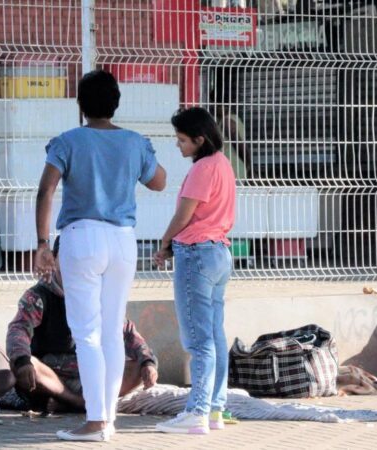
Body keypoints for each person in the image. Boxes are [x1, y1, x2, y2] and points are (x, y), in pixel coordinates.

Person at [33, 70, 167, 442]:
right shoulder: (134, 142)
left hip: (81, 238)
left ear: (80, 105)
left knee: (87, 333)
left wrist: (42, 244)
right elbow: (159, 181)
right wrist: (144, 151)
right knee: (111, 332)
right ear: (117, 103)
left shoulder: (68, 141)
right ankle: (106, 419)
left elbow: (46, 191)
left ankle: (96, 422)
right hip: (124, 240)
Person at [153, 107, 236, 435]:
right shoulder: (223, 164)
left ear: (200, 140)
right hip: (218, 253)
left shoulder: (203, 168)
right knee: (214, 334)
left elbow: (185, 214)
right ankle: (215, 409)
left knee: (198, 338)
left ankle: (197, 411)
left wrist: (164, 242)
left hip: (197, 255)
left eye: (182, 140)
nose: (178, 145)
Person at [7, 238, 158, 413]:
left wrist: (148, 361)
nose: (74, 266)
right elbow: (19, 329)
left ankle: (78, 402)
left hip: (92, 374)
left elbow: (127, 332)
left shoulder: (99, 295)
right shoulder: (38, 297)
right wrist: (22, 360)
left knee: (140, 365)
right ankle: (77, 402)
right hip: (52, 379)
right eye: (68, 259)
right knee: (29, 365)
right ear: (54, 260)